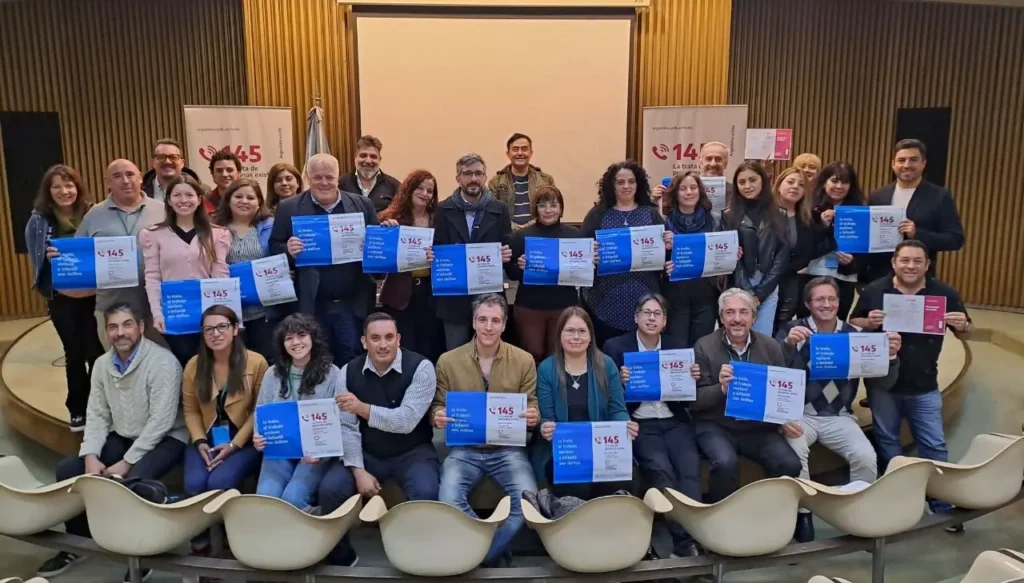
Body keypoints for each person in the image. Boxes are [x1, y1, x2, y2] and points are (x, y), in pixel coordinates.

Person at [37, 303, 186, 581]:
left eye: (127, 324)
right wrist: (91, 454)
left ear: (140, 327)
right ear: (106, 332)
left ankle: (142, 554)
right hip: (125, 434)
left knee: (136, 481)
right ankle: (78, 541)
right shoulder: (102, 365)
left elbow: (161, 422)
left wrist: (126, 462)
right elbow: (97, 415)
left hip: (167, 438)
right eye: (113, 327)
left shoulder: (163, 362)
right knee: (69, 470)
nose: (120, 333)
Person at [849, 240, 970, 514]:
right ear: (894, 263)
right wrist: (868, 323)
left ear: (927, 265)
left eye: (917, 261)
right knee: (887, 442)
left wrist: (963, 325)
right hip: (882, 383)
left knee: (934, 445)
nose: (910, 266)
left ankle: (940, 502)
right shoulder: (875, 290)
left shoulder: (944, 294)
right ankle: (899, 498)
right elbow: (854, 322)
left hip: (924, 383)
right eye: (904, 260)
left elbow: (966, 331)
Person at [777, 276, 900, 542]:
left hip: (839, 416)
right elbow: (774, 372)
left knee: (866, 457)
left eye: (832, 299)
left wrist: (890, 356)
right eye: (819, 299)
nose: (826, 304)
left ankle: (858, 512)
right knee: (796, 455)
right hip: (800, 414)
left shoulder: (856, 335)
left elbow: (883, 383)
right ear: (808, 304)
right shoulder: (792, 330)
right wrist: (787, 346)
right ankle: (803, 513)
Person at [318, 312, 439, 565]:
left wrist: (363, 408)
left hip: (412, 451)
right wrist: (358, 469)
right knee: (330, 489)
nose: (383, 345)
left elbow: (406, 420)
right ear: (364, 342)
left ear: (398, 339)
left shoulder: (422, 367)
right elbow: (347, 427)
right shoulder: (347, 372)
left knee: (426, 491)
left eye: (389, 337)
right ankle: (342, 557)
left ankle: (417, 558)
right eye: (375, 338)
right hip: (367, 451)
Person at [432, 294, 540, 567]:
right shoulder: (448, 360)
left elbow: (532, 404)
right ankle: (493, 547)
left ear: (504, 324)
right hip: (464, 450)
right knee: (448, 501)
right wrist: (437, 416)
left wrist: (533, 415)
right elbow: (438, 405)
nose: (488, 327)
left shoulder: (524, 360)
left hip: (507, 450)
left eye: (495, 321)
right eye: (482, 320)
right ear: (473, 322)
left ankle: (481, 554)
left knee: (528, 505)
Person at [603, 293, 702, 557]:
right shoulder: (616, 347)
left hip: (674, 420)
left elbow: (688, 397)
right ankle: (684, 541)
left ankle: (697, 533)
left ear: (665, 321)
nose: (651, 318)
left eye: (658, 314)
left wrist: (692, 379)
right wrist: (619, 382)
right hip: (641, 423)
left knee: (690, 470)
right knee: (662, 472)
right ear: (636, 317)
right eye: (646, 313)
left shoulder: (677, 347)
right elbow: (607, 396)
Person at [691, 288, 802, 502]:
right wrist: (721, 388)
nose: (737, 319)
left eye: (743, 312)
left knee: (790, 464)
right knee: (725, 463)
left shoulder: (770, 346)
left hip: (757, 428)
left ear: (754, 317)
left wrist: (784, 420)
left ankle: (769, 510)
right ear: (721, 318)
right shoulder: (704, 346)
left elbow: (780, 394)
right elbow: (695, 402)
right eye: (729, 312)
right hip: (716, 426)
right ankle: (720, 515)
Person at [271, 153, 380, 365]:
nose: (324, 182)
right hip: (311, 304)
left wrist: (373, 244)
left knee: (352, 361)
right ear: (308, 178)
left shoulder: (362, 204)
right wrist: (288, 250)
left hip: (351, 303)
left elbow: (376, 248)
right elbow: (275, 246)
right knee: (315, 362)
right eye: (317, 177)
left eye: (329, 177)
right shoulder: (288, 208)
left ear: (338, 177)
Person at [252, 314, 363, 516]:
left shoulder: (333, 373)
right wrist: (258, 436)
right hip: (281, 452)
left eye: (301, 335)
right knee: (266, 498)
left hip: (317, 454)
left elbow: (342, 421)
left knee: (293, 499)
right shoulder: (272, 374)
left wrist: (322, 452)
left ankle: (316, 525)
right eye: (289, 338)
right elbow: (261, 413)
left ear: (313, 338)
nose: (295, 342)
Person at [26, 165, 104, 431]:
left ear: (77, 187)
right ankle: (77, 409)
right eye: (57, 187)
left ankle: (99, 407)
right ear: (48, 191)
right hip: (62, 299)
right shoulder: (39, 221)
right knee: (74, 353)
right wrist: (49, 261)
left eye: (69, 185)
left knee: (97, 353)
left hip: (95, 296)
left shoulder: (93, 213)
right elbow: (37, 264)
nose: (64, 191)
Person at [535, 307, 637, 498]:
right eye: (570, 331)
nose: (576, 337)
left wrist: (625, 424)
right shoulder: (547, 369)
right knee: (575, 485)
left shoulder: (606, 365)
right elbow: (547, 417)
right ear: (559, 334)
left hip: (602, 449)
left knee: (620, 481)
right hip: (566, 452)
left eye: (582, 331)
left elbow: (617, 409)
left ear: (590, 336)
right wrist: (545, 427)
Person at [67, 159, 167, 349]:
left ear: (140, 178)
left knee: (162, 363)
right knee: (119, 365)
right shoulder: (94, 215)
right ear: (108, 182)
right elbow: (77, 257)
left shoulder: (163, 210)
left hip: (157, 309)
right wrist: (59, 259)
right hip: (110, 310)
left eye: (130, 175)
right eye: (117, 176)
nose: (125, 181)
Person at [140, 175, 231, 366]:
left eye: (189, 195)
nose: (183, 200)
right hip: (175, 313)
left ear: (199, 199)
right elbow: (152, 276)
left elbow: (220, 274)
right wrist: (157, 313)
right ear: (168, 200)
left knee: (211, 364)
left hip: (208, 314)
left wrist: (222, 313)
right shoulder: (152, 234)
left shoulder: (218, 234)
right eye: (177, 195)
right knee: (184, 363)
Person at [182, 305, 267, 498]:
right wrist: (200, 441)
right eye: (209, 329)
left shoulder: (256, 362)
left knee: (218, 483)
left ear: (235, 329)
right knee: (194, 485)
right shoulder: (194, 365)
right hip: (206, 435)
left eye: (222, 327)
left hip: (243, 437)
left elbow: (259, 410)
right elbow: (191, 411)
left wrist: (233, 445)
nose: (215, 334)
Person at [581, 161, 669, 346]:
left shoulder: (651, 214)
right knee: (609, 351)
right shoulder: (597, 214)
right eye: (620, 182)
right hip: (604, 299)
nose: (626, 186)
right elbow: (581, 253)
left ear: (639, 184)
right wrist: (589, 254)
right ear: (611, 186)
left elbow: (666, 254)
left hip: (645, 296)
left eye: (631, 181)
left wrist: (669, 244)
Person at [432, 153, 513, 350]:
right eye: (467, 174)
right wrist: (433, 254)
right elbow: (438, 247)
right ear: (458, 178)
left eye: (478, 173)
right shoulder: (443, 209)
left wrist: (506, 254)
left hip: (489, 295)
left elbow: (506, 244)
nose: (473, 178)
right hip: (453, 298)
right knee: (455, 355)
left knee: (490, 352)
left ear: (485, 177)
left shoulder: (500, 209)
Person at [865, 139, 965, 281]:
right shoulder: (878, 195)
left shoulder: (939, 196)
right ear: (893, 164)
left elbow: (955, 239)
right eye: (901, 160)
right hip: (879, 277)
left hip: (919, 279)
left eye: (913, 160)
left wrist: (917, 234)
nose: (907, 165)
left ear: (923, 163)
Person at [506, 185, 581, 363]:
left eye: (553, 205)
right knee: (532, 354)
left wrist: (588, 263)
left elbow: (582, 272)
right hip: (530, 306)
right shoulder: (521, 236)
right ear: (535, 208)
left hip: (564, 305)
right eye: (542, 206)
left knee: (558, 356)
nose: (548, 210)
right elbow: (511, 272)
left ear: (561, 208)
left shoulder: (575, 236)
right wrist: (519, 267)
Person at [377, 170, 443, 362]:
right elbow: (378, 261)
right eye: (419, 188)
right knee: (404, 347)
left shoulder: (439, 220)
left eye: (429, 191)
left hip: (431, 293)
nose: (425, 194)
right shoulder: (390, 219)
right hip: (399, 294)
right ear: (409, 189)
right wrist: (386, 235)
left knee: (429, 346)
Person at [723, 161, 790, 337]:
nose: (747, 186)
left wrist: (760, 294)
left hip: (768, 284)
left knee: (762, 338)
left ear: (763, 181)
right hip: (739, 283)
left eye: (753, 180)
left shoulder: (780, 214)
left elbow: (782, 256)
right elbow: (730, 256)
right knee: (737, 336)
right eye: (742, 182)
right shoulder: (728, 215)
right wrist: (746, 290)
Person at [212, 178, 276, 359]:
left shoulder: (270, 227)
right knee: (233, 362)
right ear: (228, 200)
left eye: (251, 197)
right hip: (227, 312)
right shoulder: (214, 229)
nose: (244, 201)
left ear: (259, 203)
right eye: (238, 196)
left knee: (265, 360)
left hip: (264, 313)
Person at [660, 171, 725, 347]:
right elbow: (654, 260)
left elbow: (722, 253)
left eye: (693, 187)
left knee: (701, 346)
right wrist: (665, 259)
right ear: (675, 193)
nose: (689, 192)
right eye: (683, 188)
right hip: (675, 295)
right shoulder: (664, 222)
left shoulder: (715, 220)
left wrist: (733, 253)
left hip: (706, 294)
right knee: (677, 346)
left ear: (700, 190)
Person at [799, 162, 866, 320]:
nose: (839, 186)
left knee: (837, 323)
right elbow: (804, 247)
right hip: (812, 275)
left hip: (844, 279)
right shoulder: (808, 207)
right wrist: (823, 226)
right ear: (824, 182)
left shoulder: (860, 211)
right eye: (834, 181)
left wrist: (851, 262)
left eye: (845, 182)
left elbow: (865, 252)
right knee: (807, 323)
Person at [773, 167, 823, 333]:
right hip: (763, 280)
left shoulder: (808, 217)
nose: (795, 187)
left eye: (801, 185)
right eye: (790, 182)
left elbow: (813, 248)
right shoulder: (765, 213)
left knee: (782, 326)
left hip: (790, 280)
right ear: (779, 186)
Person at [488, 133, 556, 228]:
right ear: (508, 154)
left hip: (538, 232)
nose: (520, 153)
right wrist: (515, 228)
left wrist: (528, 227)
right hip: (507, 233)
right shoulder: (495, 182)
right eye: (515, 149)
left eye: (524, 149)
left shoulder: (546, 180)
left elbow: (552, 209)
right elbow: (493, 213)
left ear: (531, 153)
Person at [338, 135, 401, 213]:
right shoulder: (340, 183)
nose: (368, 161)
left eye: (373, 157)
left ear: (380, 159)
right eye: (363, 156)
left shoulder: (394, 185)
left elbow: (403, 213)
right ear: (355, 157)